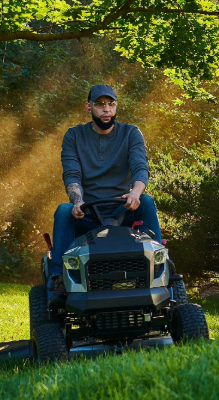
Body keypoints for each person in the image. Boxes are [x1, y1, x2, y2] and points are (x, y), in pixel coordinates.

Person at [48, 84, 161, 296]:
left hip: (124, 209)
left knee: (146, 201)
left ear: (116, 106)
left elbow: (140, 167)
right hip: (89, 213)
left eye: (111, 104)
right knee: (64, 210)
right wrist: (77, 201)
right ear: (88, 107)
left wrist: (135, 193)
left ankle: (160, 267)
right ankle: (59, 278)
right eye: (100, 105)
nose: (106, 109)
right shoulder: (74, 136)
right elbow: (72, 174)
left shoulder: (131, 133)